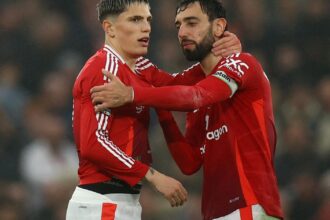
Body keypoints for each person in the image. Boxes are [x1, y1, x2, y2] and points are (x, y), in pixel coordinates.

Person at [90, 0, 284, 219]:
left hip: (251, 206)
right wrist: (160, 107)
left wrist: (131, 95)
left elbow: (195, 96)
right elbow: (189, 162)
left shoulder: (242, 63)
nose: (182, 32)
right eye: (178, 26)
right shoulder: (200, 88)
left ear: (219, 27)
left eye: (191, 23)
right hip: (215, 211)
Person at [67, 0, 242, 219]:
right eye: (135, 19)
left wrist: (217, 50)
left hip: (122, 201)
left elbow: (177, 86)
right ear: (109, 28)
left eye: (148, 20)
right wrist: (153, 176)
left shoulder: (140, 67)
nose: (146, 28)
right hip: (102, 203)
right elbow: (94, 144)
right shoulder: (103, 70)